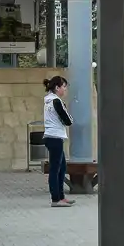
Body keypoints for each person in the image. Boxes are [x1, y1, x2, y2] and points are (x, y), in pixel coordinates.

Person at [42, 76, 75, 208]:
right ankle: (56, 199)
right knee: (55, 169)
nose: (65, 89)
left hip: (52, 137)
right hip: (55, 137)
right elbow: (68, 120)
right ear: (57, 87)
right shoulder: (56, 101)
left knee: (62, 168)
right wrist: (69, 117)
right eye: (64, 86)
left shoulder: (48, 101)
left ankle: (61, 196)